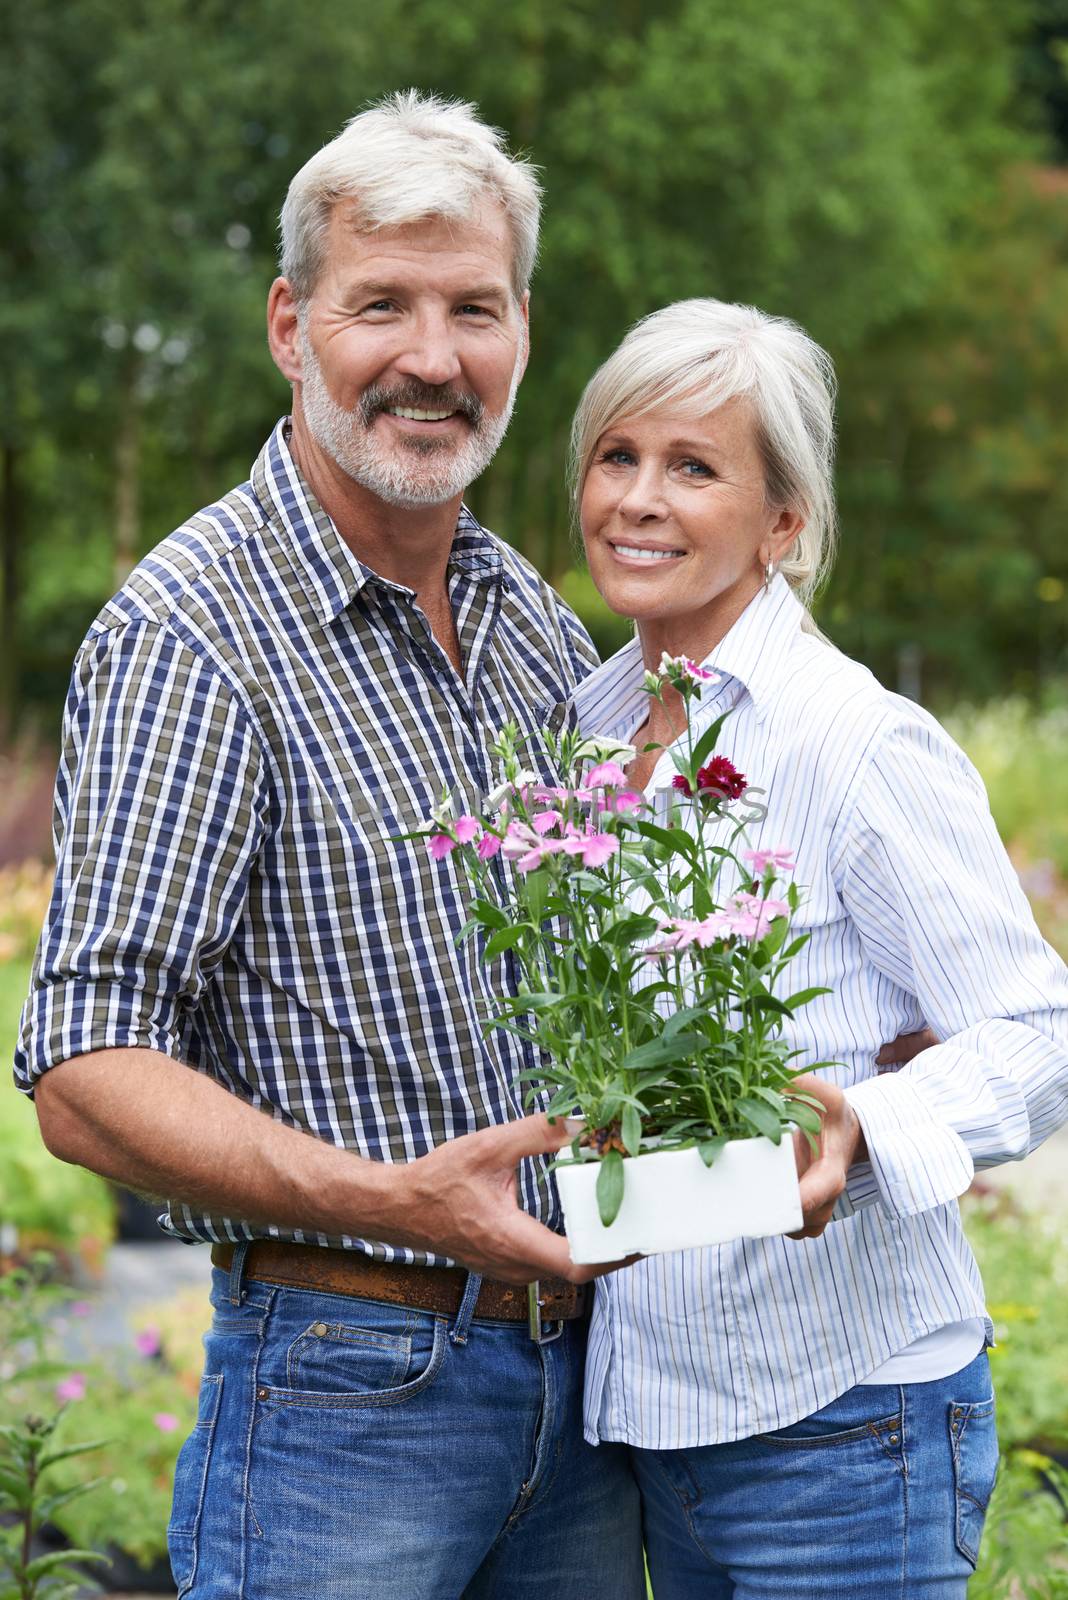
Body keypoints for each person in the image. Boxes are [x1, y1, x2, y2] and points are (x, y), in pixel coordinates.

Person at [13, 92, 644, 1600]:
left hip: (595, 1400)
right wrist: (392, 1204)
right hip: (349, 1394)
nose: (432, 358)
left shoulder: (534, 627)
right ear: (292, 326)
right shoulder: (196, 634)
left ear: (523, 334)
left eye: (472, 308)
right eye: (383, 306)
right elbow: (85, 1072)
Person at [568, 298, 1068, 1597]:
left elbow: (1039, 1029)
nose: (638, 499)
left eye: (694, 467)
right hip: (663, 1417)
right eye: (616, 457)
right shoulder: (586, 730)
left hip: (846, 1423)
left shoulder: (855, 740)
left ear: (785, 524)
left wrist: (863, 1127)